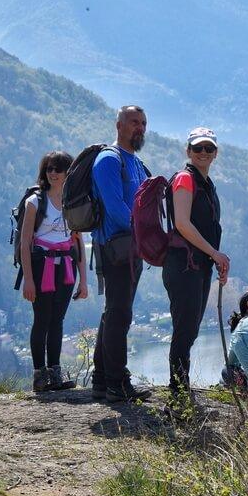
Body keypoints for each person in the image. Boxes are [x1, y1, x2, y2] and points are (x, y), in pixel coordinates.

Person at [162, 127, 230, 415]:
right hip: (183, 265)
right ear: (188, 151)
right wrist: (214, 253)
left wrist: (215, 259)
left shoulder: (206, 182)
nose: (203, 153)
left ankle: (181, 389)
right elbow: (183, 224)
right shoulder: (186, 180)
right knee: (184, 329)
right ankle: (177, 395)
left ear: (215, 153)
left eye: (209, 148)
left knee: (189, 330)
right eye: (198, 148)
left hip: (197, 265)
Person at [91, 105, 152, 402]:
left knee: (114, 311)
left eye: (142, 123)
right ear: (119, 126)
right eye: (133, 122)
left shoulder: (136, 163)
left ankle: (102, 378)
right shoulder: (109, 160)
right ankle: (117, 382)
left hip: (132, 248)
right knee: (119, 314)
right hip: (116, 248)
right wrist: (144, 233)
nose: (139, 128)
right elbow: (115, 208)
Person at [20, 151, 88, 392]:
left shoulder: (74, 202)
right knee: (42, 319)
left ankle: (55, 372)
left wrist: (84, 281)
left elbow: (78, 242)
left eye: (59, 169)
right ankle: (40, 375)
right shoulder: (35, 203)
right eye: (49, 168)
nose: (53, 173)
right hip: (41, 265)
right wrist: (28, 280)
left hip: (66, 265)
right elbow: (25, 242)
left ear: (69, 172)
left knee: (57, 320)